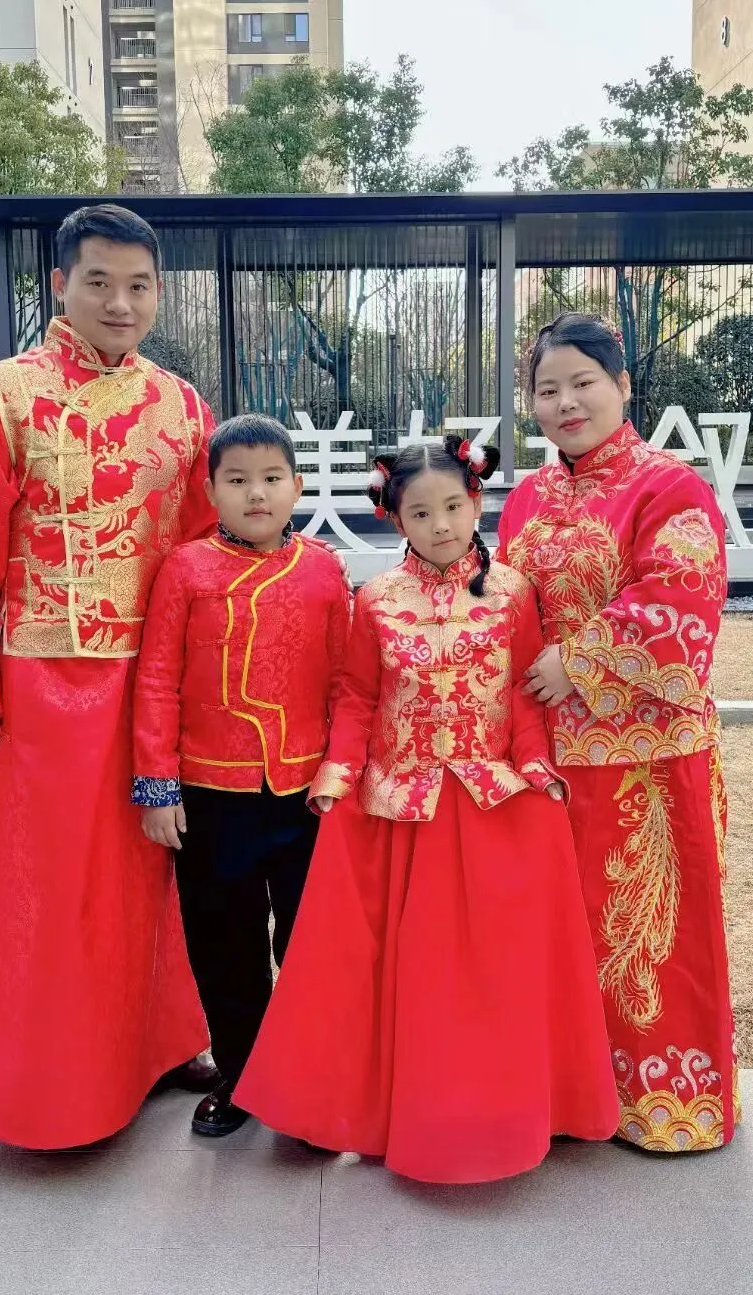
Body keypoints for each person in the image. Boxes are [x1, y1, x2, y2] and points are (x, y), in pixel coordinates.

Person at [0, 204, 219, 1149]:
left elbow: (203, 549)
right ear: (60, 285)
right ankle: (49, 1085)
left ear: (158, 293)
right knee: (47, 884)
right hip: (44, 684)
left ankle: (163, 1045)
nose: (121, 303)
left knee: (153, 872)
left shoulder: (181, 405)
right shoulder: (5, 395)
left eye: (139, 286)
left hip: (153, 682)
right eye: (100, 283)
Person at [233, 435, 619, 1184]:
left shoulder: (514, 592)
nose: (440, 525)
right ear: (393, 518)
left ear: (476, 503)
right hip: (397, 804)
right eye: (419, 512)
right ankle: (388, 1112)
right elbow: (357, 695)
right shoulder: (375, 599)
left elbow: (523, 694)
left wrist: (535, 765)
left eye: (452, 507)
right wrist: (339, 772)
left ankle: (496, 1110)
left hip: (490, 797)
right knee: (398, 973)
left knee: (489, 975)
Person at [497, 310, 737, 1154]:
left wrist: (580, 660)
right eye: (547, 390)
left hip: (651, 764)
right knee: (559, 935)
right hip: (549, 759)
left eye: (583, 384)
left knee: (652, 940)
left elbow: (682, 597)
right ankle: (573, 1095)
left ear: (623, 386)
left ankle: (665, 1104)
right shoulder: (526, 498)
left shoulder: (669, 487)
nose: (566, 403)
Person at [132, 413, 352, 1138]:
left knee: (311, 947)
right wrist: (158, 786)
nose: (256, 494)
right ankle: (243, 1076)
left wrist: (341, 770)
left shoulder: (323, 569)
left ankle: (311, 1087)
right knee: (225, 946)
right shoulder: (186, 569)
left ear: (297, 486)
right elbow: (157, 680)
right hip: (210, 797)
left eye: (271, 478)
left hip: (304, 798)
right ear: (211, 491)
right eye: (237, 480)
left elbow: (346, 682)